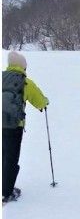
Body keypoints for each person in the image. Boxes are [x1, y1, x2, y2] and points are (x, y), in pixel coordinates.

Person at [2, 51, 49, 203]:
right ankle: (7, 192)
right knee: (10, 158)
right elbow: (40, 101)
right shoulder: (25, 82)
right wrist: (45, 102)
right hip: (15, 126)